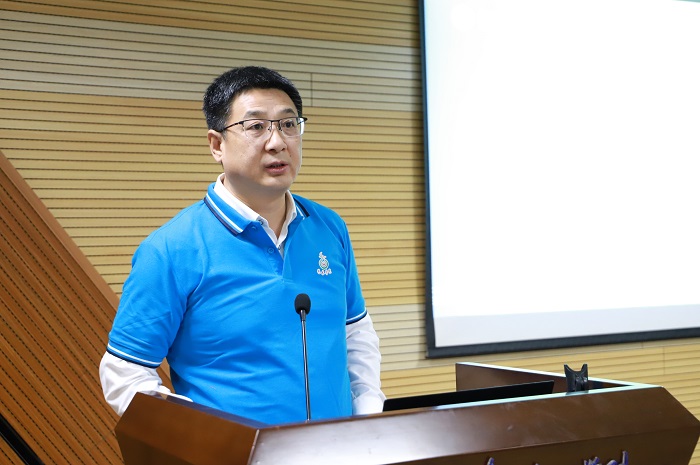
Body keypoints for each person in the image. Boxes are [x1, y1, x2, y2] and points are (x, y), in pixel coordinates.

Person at [99, 66, 385, 424]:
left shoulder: (329, 227)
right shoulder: (172, 249)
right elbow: (124, 373)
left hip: (339, 445)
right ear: (217, 145)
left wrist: (368, 418)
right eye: (256, 126)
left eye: (288, 124)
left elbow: (354, 332)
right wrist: (202, 441)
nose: (277, 142)